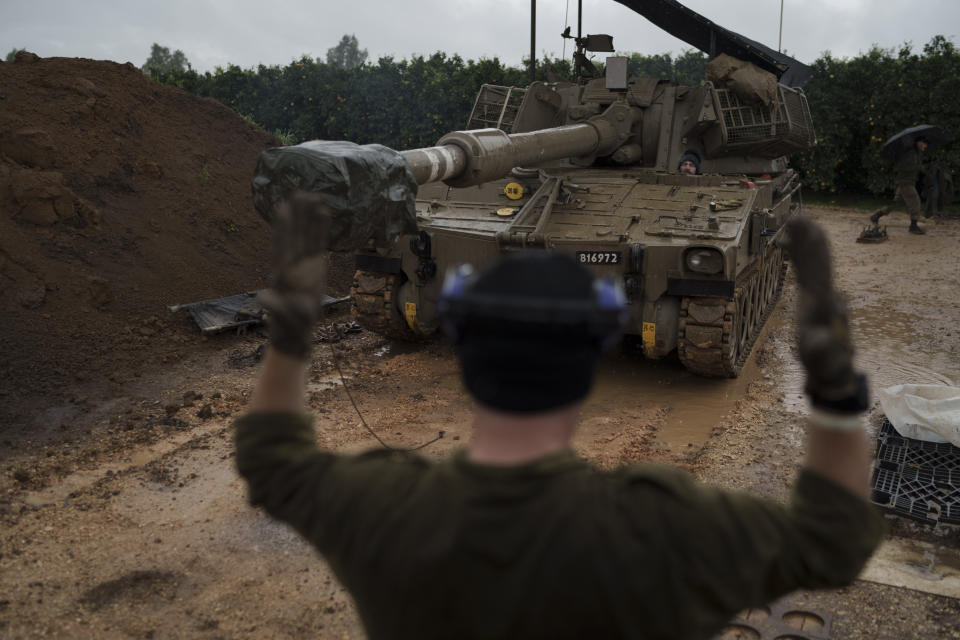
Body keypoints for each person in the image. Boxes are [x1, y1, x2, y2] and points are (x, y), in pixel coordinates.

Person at [235, 211, 883, 639]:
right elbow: (837, 542)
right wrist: (833, 388)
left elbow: (271, 462)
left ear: (463, 350)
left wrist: (291, 332)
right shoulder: (670, 527)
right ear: (594, 354)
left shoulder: (379, 505)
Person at [870, 136, 928, 234]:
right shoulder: (910, 153)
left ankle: (876, 215)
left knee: (897, 202)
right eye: (925, 143)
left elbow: (915, 166)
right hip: (906, 182)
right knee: (915, 201)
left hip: (906, 182)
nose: (926, 146)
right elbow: (903, 166)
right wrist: (918, 167)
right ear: (919, 143)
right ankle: (913, 226)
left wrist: (922, 168)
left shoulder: (916, 153)